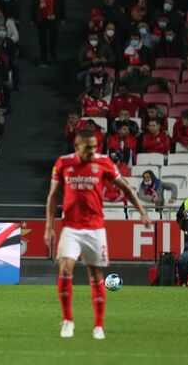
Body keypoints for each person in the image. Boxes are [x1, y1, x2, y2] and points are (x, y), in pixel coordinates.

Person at [45, 129, 152, 340]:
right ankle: (67, 321)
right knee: (65, 269)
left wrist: (141, 210)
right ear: (77, 146)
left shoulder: (104, 163)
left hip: (95, 229)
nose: (93, 151)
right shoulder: (63, 163)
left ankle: (98, 325)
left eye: (95, 147)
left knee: (95, 275)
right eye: (88, 147)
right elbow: (53, 196)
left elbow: (127, 189)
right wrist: (49, 226)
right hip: (71, 228)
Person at [31, 0, 66, 66]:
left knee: (54, 37)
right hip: (41, 18)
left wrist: (63, 18)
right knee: (42, 39)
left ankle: (52, 50)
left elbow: (62, 3)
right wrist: (32, 19)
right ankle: (44, 58)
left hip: (53, 18)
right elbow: (33, 4)